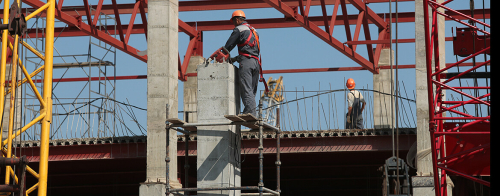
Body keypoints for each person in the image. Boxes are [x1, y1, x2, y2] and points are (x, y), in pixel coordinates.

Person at [224, 10, 261, 117]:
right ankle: (252, 111)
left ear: (236, 19)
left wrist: (221, 56)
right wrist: (235, 59)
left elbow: (228, 47)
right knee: (252, 91)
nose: (233, 24)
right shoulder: (254, 30)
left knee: (246, 88)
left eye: (233, 21)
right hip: (256, 63)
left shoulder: (239, 30)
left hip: (247, 63)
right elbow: (250, 50)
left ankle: (250, 112)